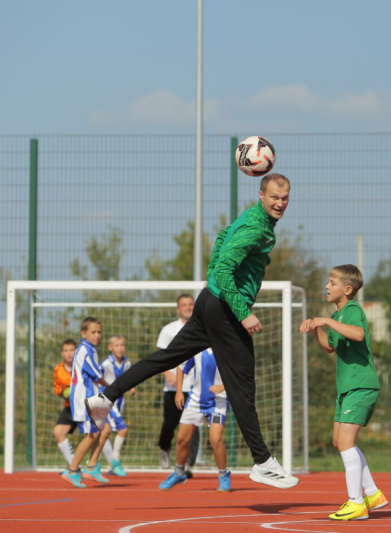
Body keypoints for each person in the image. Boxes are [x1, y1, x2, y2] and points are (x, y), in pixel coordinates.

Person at [86, 174, 298, 489]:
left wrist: (210, 277)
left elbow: (224, 235)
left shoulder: (253, 218)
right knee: (242, 386)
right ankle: (263, 461)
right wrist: (244, 312)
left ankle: (105, 397)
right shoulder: (256, 227)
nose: (279, 203)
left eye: (285, 198)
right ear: (261, 195)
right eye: (274, 198)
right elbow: (227, 268)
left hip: (209, 302)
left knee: (165, 357)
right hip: (225, 309)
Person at [300, 264, 387, 521]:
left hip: (361, 385)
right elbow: (330, 347)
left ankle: (356, 502)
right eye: (328, 282)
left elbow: (358, 334)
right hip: (347, 388)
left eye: (332, 283)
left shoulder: (352, 310)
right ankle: (372, 493)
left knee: (346, 442)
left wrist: (325, 320)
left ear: (347, 289)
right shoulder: (337, 317)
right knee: (339, 441)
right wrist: (317, 329)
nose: (327, 286)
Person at [159, 348, 231, 492]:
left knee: (215, 439)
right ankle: (179, 473)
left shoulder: (227, 345)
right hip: (195, 401)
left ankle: (223, 476)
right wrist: (179, 391)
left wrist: (223, 386)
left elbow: (243, 373)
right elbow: (181, 368)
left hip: (218, 401)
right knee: (181, 439)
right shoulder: (198, 346)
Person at [61, 317, 113, 488]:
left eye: (99, 332)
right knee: (92, 434)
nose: (97, 335)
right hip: (84, 398)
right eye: (93, 332)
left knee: (105, 429)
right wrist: (115, 387)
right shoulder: (84, 350)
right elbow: (97, 374)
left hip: (93, 396)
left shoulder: (91, 349)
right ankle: (72, 469)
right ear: (83, 333)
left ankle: (91, 467)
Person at [156, 294, 200, 474]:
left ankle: (189, 462)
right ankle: (164, 449)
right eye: (184, 305)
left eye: (191, 304)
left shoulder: (201, 327)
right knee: (170, 423)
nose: (188, 307)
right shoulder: (169, 329)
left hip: (196, 387)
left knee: (194, 426)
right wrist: (168, 374)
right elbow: (160, 353)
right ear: (178, 308)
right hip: (174, 388)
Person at [98, 334, 135, 477]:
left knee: (105, 432)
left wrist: (132, 387)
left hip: (119, 401)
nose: (120, 348)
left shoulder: (126, 363)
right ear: (110, 347)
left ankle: (99, 462)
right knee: (122, 429)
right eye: (117, 345)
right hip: (107, 401)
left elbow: (130, 377)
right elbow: (96, 378)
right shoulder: (106, 364)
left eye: (122, 345)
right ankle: (115, 461)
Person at [53, 339, 78, 466]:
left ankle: (111, 461)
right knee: (58, 432)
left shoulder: (80, 366)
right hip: (70, 407)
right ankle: (73, 466)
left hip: (84, 406)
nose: (69, 353)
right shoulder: (58, 369)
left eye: (72, 350)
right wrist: (63, 393)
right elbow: (57, 387)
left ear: (76, 351)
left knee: (96, 434)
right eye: (66, 350)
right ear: (62, 353)